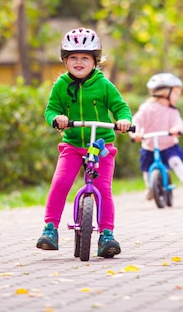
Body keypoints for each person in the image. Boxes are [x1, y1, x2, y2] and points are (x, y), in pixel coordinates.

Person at [36, 27, 132, 258]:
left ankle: (107, 234)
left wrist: (123, 120)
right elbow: (51, 110)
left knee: (103, 189)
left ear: (95, 61)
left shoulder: (103, 85)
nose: (79, 62)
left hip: (100, 146)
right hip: (72, 145)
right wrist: (57, 119)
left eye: (85, 58)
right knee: (60, 182)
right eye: (73, 58)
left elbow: (121, 107)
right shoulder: (61, 85)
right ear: (65, 61)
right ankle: (50, 229)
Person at [130, 72, 183, 199]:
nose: (178, 97)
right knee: (147, 168)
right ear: (165, 93)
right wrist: (135, 133)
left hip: (169, 145)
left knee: (175, 161)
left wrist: (177, 129)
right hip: (149, 146)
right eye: (176, 94)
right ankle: (150, 188)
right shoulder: (147, 108)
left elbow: (178, 123)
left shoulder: (172, 111)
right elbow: (136, 121)